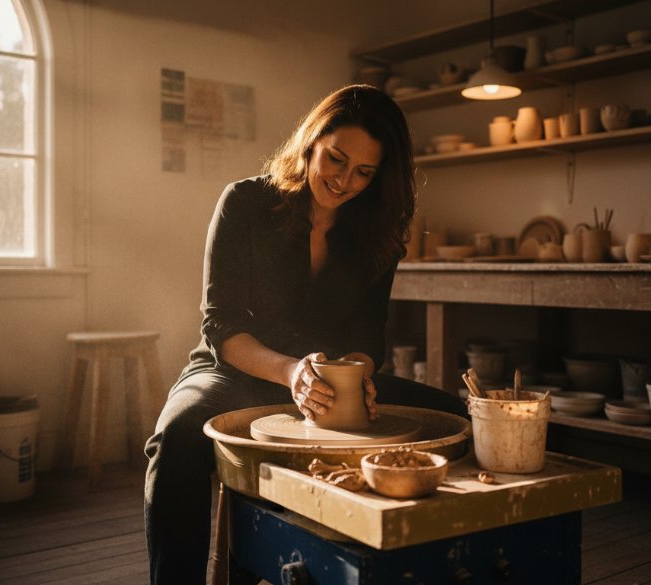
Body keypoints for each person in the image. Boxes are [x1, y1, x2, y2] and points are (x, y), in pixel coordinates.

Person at [143, 84, 467, 585]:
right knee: (177, 436)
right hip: (236, 368)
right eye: (336, 159)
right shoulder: (246, 202)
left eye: (364, 172)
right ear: (311, 141)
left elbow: (368, 334)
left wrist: (356, 373)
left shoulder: (376, 230)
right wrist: (290, 371)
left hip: (327, 381)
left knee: (459, 418)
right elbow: (222, 324)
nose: (344, 181)